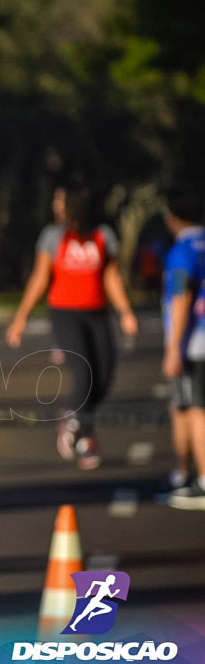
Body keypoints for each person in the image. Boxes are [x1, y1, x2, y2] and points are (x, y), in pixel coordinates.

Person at [7, 185, 139, 470]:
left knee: (103, 375)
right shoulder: (53, 236)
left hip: (98, 312)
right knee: (83, 372)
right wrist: (21, 318)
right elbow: (40, 278)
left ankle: (73, 415)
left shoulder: (103, 235)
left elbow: (111, 276)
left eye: (61, 200)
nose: (56, 206)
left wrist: (125, 311)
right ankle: (85, 437)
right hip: (65, 313)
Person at [160, 186, 205, 509]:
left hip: (194, 342)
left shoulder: (182, 252)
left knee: (193, 410)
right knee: (183, 408)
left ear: (172, 216)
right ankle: (183, 475)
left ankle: (200, 478)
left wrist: (174, 346)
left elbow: (181, 296)